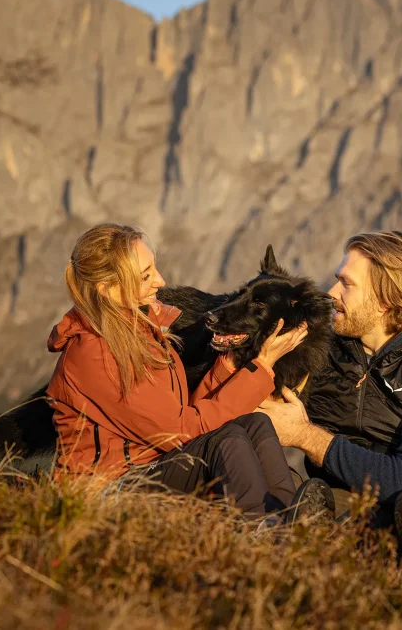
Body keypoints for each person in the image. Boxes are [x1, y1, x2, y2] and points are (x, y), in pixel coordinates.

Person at [45, 222, 332, 520]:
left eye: (154, 269)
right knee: (225, 440)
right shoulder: (97, 353)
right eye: (145, 276)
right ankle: (262, 527)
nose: (160, 281)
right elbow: (181, 430)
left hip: (152, 465)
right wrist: (260, 368)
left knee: (255, 424)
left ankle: (289, 516)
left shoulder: (138, 332)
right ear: (107, 290)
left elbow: (185, 411)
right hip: (107, 489)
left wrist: (228, 366)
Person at [259, 231, 402, 569]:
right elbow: (258, 409)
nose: (331, 293)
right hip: (341, 498)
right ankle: (323, 544)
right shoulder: (322, 353)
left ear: (385, 298)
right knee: (297, 489)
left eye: (346, 284)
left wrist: (306, 437)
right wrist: (263, 362)